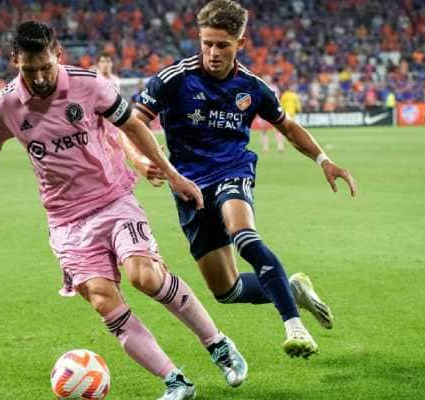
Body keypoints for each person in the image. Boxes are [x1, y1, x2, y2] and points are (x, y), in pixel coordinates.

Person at [0, 21, 246, 400]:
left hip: (114, 199)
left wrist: (173, 175)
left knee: (145, 276)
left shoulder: (89, 84)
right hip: (65, 220)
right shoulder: (5, 104)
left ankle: (218, 345)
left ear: (58, 55)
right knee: (103, 299)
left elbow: (133, 126)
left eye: (46, 67)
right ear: (16, 61)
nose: (40, 77)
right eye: (29, 70)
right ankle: (175, 381)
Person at [125, 0, 358, 359]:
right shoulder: (174, 79)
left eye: (222, 45)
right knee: (226, 291)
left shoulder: (253, 87)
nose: (213, 53)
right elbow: (131, 123)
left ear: (241, 44)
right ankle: (291, 288)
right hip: (188, 186)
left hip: (232, 170)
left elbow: (288, 127)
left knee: (243, 234)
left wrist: (323, 159)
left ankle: (294, 325)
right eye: (207, 43)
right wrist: (140, 161)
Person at [258, 76, 285, 153]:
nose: (266, 80)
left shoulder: (262, 87)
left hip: (267, 110)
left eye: (268, 79)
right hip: (266, 110)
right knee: (266, 130)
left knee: (273, 130)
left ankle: (278, 147)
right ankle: (268, 147)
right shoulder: (272, 87)